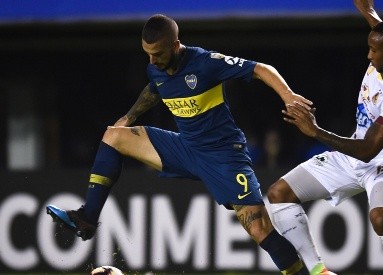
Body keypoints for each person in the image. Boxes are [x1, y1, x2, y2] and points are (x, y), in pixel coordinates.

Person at [45, 14, 329, 275]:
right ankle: (87, 218)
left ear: (176, 45)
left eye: (158, 54)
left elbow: (261, 69)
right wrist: (128, 117)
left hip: (224, 156)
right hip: (186, 148)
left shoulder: (205, 63)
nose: (153, 61)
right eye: (148, 55)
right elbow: (154, 89)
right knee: (114, 135)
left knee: (259, 228)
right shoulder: (155, 68)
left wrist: (288, 95)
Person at [267, 1, 383, 274]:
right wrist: (368, 11)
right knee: (279, 193)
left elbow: (369, 150)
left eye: (373, 50)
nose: (368, 56)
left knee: (382, 219)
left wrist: (315, 131)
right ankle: (319, 271)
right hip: (351, 155)